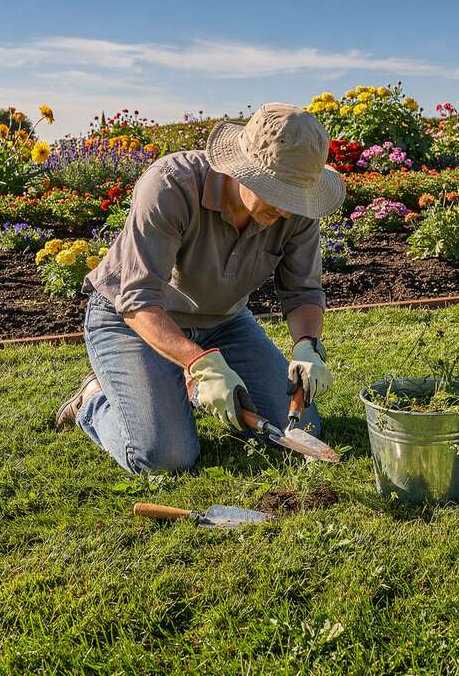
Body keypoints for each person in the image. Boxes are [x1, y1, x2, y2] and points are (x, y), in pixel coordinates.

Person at [54, 103, 345, 473]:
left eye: (296, 197)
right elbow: (138, 299)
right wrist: (200, 363)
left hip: (223, 322)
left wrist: (307, 346)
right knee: (165, 456)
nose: (288, 211)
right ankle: (93, 401)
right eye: (279, 193)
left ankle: (184, 386)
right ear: (243, 169)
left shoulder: (296, 210)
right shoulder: (171, 185)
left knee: (304, 427)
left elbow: (302, 291)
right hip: (133, 320)